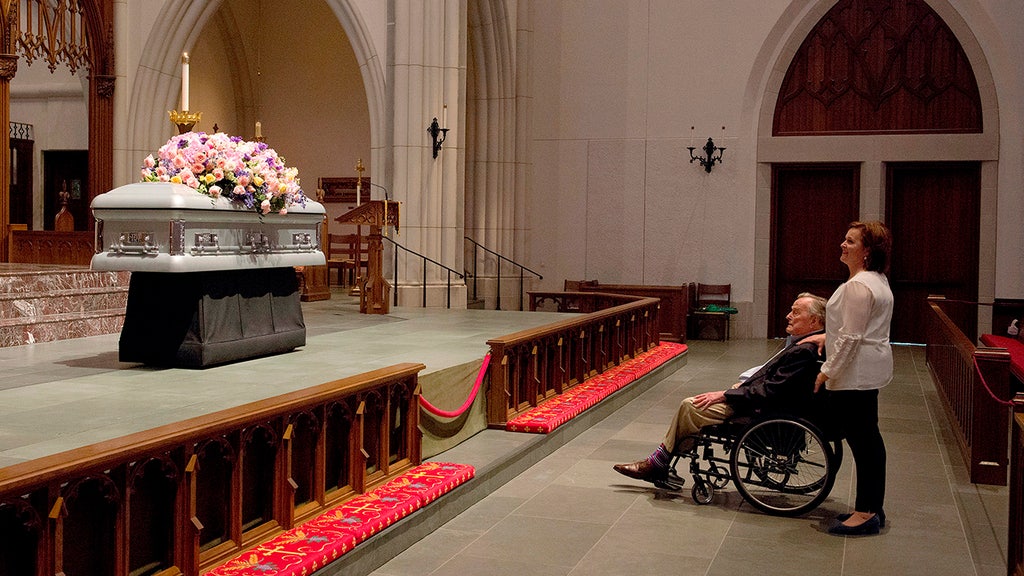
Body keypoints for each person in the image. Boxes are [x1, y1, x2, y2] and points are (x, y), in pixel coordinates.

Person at [613, 293, 827, 484]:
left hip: (762, 411)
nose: (789, 315)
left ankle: (658, 463)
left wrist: (726, 395)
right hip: (767, 403)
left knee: (691, 406)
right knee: (696, 406)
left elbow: (771, 391)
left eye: (796, 312)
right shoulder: (806, 344)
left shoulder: (804, 351)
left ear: (814, 321)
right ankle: (662, 461)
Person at [810, 220, 894, 536]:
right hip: (868, 369)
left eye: (850, 241)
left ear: (868, 251)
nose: (842, 245)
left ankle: (866, 512)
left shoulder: (858, 285)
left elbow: (851, 336)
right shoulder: (877, 280)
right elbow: (857, 330)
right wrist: (825, 338)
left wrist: (826, 370)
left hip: (855, 373)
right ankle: (872, 506)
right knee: (869, 439)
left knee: (864, 442)